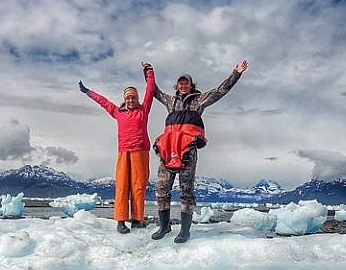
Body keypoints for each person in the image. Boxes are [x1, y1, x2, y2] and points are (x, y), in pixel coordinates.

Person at [151, 60, 249, 243]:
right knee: (162, 188)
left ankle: (185, 231)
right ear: (177, 86)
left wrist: (236, 73)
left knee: (186, 189)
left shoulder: (199, 100)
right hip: (168, 149)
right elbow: (154, 91)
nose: (183, 85)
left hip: (188, 150)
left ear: (191, 85)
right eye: (180, 83)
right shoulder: (170, 101)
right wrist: (148, 72)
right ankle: (164, 226)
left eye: (186, 82)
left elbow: (220, 91)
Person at [79, 62, 156, 233]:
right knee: (122, 186)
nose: (130, 100)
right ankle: (121, 221)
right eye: (128, 97)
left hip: (140, 151)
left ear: (137, 98)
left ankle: (137, 219)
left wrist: (148, 71)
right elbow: (103, 101)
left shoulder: (143, 110)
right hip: (123, 152)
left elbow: (150, 90)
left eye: (133, 97)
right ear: (124, 99)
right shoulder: (117, 112)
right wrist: (88, 92)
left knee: (138, 186)